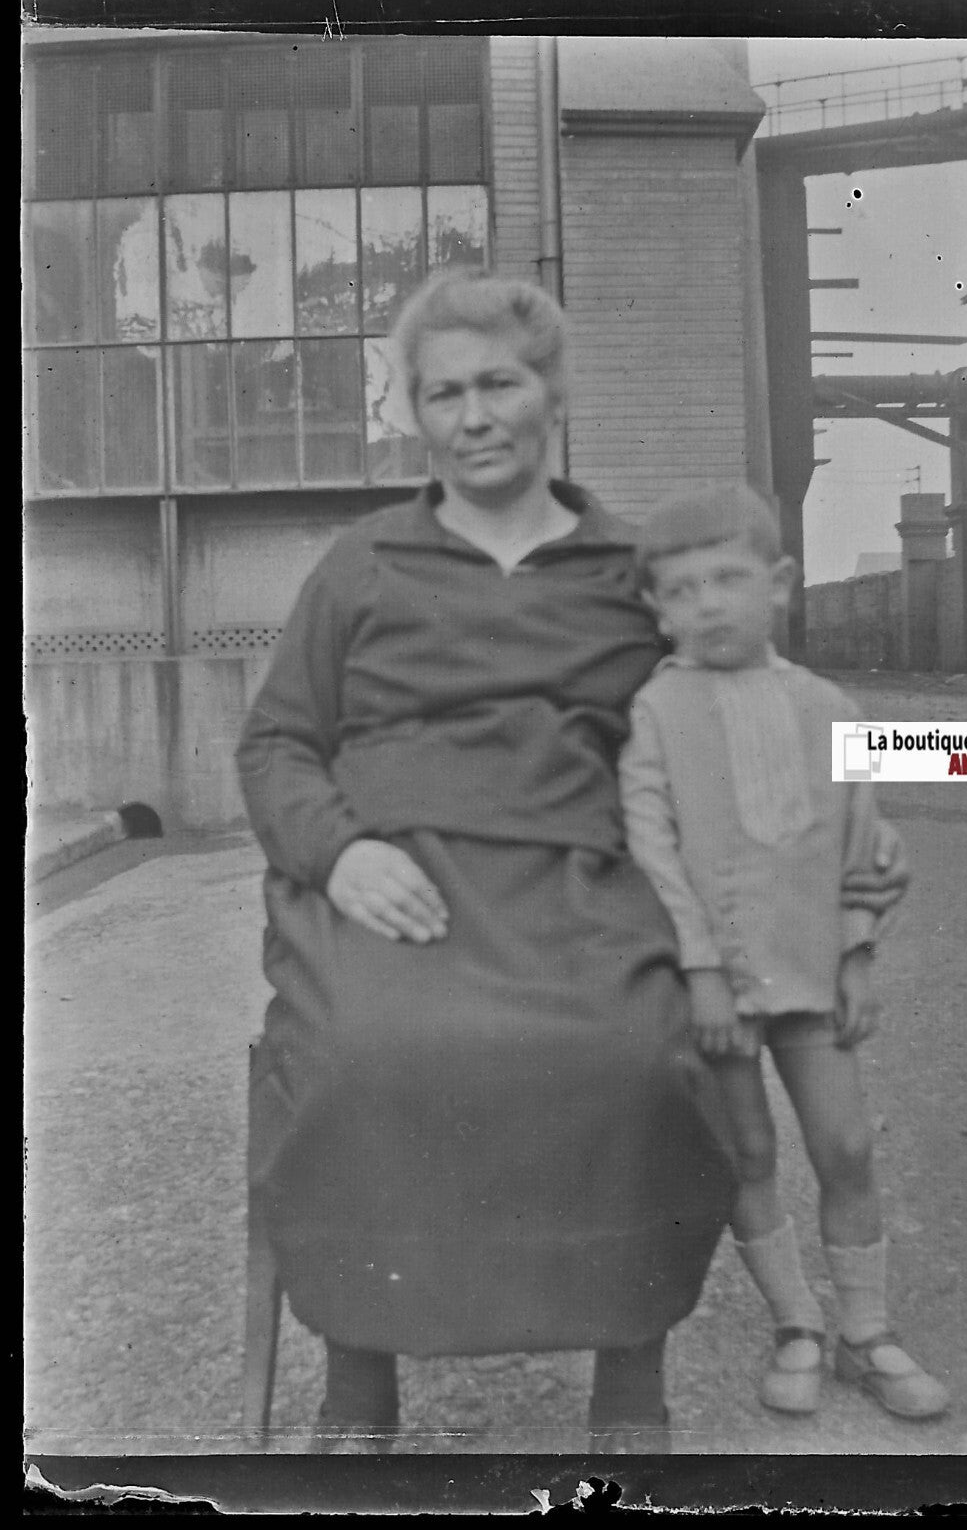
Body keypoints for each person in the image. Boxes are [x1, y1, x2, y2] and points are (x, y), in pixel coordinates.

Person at [235, 269, 737, 1455]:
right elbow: (276, 742)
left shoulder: (630, 567)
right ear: (413, 410)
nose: (473, 415)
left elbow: (731, 727)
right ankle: (360, 1379)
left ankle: (630, 1389)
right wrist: (340, 851)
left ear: (551, 392)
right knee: (367, 1058)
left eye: (498, 384)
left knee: (635, 1064)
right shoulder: (365, 563)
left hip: (579, 888)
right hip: (392, 886)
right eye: (442, 391)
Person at [617, 483, 950, 1422]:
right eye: (679, 592)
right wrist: (701, 972)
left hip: (810, 974)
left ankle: (867, 1332)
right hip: (717, 987)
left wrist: (855, 957)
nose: (707, 605)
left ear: (782, 584)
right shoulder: (655, 713)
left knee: (845, 1145)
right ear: (655, 609)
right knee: (749, 1150)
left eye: (727, 580)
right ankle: (796, 1323)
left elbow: (863, 846)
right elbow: (653, 855)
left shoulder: (830, 706)